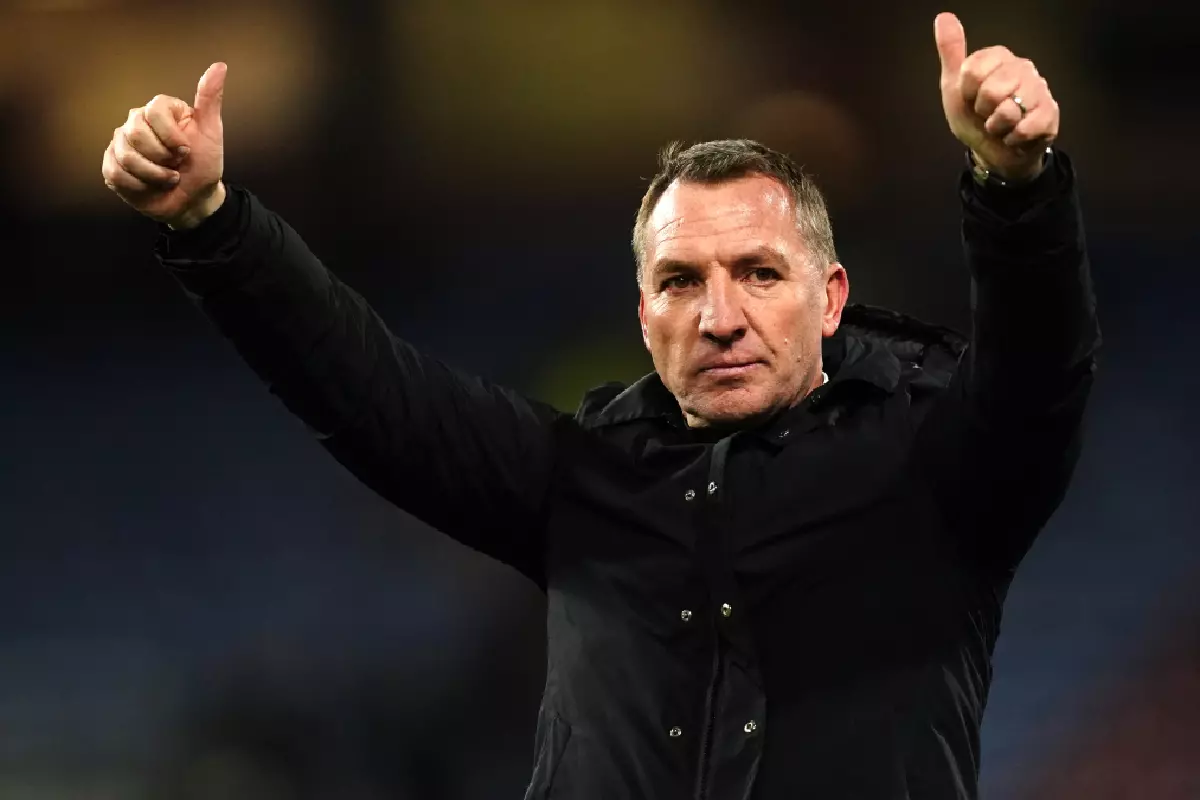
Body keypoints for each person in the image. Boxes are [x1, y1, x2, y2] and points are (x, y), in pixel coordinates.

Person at [101, 12, 1099, 800]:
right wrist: (212, 224)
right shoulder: (583, 477)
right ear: (642, 309)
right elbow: (370, 393)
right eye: (679, 280)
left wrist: (1014, 187)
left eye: (757, 272)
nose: (718, 316)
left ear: (830, 296)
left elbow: (1040, 376)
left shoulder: (933, 469)